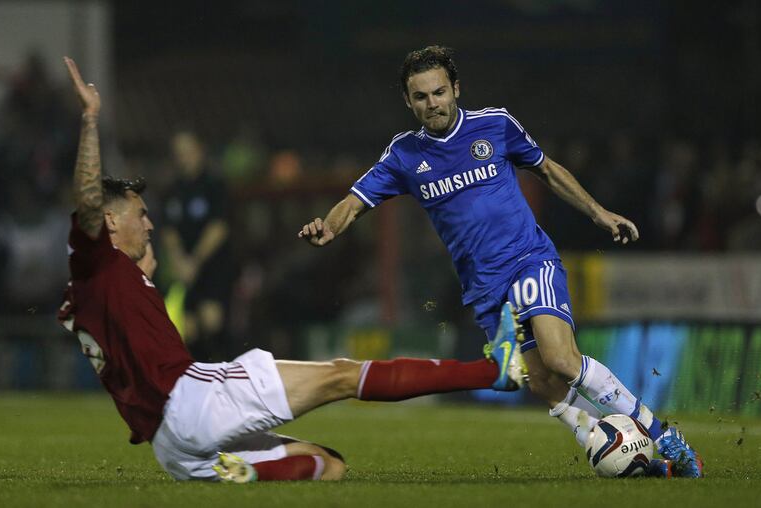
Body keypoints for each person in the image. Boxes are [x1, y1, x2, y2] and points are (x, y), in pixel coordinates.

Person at [58, 57, 524, 483]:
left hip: (172, 448)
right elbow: (87, 198)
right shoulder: (95, 256)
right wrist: (91, 118)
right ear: (110, 221)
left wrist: (143, 266)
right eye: (140, 214)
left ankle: (239, 472)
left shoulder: (94, 285)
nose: (150, 221)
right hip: (194, 401)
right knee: (342, 376)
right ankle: (490, 372)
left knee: (328, 466)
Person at [299, 46, 702, 478]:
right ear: (408, 102)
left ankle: (663, 437)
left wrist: (598, 213)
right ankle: (630, 459)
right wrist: (330, 226)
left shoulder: (495, 124)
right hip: (484, 288)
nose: (432, 103)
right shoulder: (404, 156)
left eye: (438, 92)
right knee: (541, 380)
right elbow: (356, 202)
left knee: (561, 360)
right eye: (421, 97)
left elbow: (547, 170)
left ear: (456, 88)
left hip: (528, 260)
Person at [161, 130, 234, 361]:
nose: (184, 157)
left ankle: (225, 376)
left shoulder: (214, 185)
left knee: (212, 322)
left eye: (188, 151)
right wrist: (179, 261)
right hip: (184, 269)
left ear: (200, 151)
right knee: (187, 328)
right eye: (179, 153)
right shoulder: (172, 190)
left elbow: (219, 227)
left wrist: (195, 261)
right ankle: (196, 382)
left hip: (213, 268)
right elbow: (168, 230)